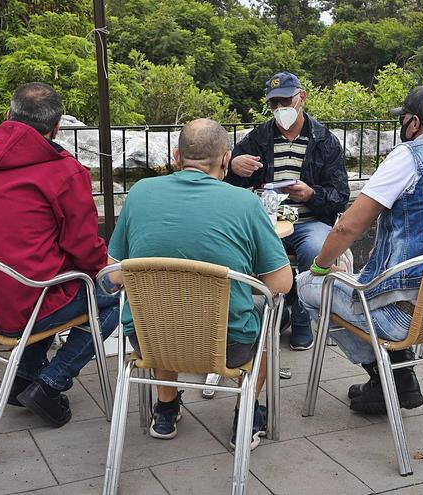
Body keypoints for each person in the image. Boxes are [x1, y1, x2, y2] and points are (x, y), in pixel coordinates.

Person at [297, 84, 423, 414]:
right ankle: (397, 374)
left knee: (308, 284)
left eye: (404, 118)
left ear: (415, 123)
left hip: (404, 314)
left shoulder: (410, 156)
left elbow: (348, 226)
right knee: (361, 278)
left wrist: (321, 266)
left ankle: (388, 375)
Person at [107, 118, 293, 449]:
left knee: (161, 307)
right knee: (268, 312)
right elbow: (280, 283)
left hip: (148, 341)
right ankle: (245, 414)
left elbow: (115, 274)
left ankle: (165, 407)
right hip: (228, 346)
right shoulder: (244, 203)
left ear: (177, 156)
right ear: (226, 159)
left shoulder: (139, 194)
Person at [0, 82, 119, 427]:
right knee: (111, 301)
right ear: (56, 127)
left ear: (9, 115)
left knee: (46, 282)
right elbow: (86, 253)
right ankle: (50, 383)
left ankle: (23, 375)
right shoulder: (64, 172)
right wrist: (109, 269)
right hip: (21, 307)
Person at [226, 71, 350, 351]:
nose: (280, 109)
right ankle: (262, 314)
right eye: (274, 104)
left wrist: (311, 194)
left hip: (311, 221)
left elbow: (340, 196)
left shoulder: (324, 140)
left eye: (285, 101)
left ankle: (302, 315)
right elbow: (226, 183)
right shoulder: (257, 138)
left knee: (317, 249)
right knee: (244, 250)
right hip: (267, 222)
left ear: (301, 98)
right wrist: (233, 168)